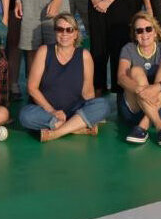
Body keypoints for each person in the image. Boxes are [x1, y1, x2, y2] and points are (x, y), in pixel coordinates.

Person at [19, 14, 109, 142]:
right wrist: (52, 111)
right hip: (46, 111)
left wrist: (91, 110)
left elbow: (88, 91)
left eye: (69, 29)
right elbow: (32, 88)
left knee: (103, 105)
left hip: (75, 110)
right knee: (25, 115)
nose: (64, 33)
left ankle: (56, 132)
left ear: (76, 33)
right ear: (55, 32)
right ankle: (77, 127)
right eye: (60, 29)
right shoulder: (44, 51)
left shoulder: (84, 55)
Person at [117, 12, 161, 146]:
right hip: (135, 111)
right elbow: (121, 78)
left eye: (148, 29)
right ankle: (160, 126)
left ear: (155, 32)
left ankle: (144, 125)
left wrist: (156, 88)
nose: (144, 34)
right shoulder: (128, 49)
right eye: (139, 30)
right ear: (135, 34)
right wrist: (140, 90)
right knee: (135, 71)